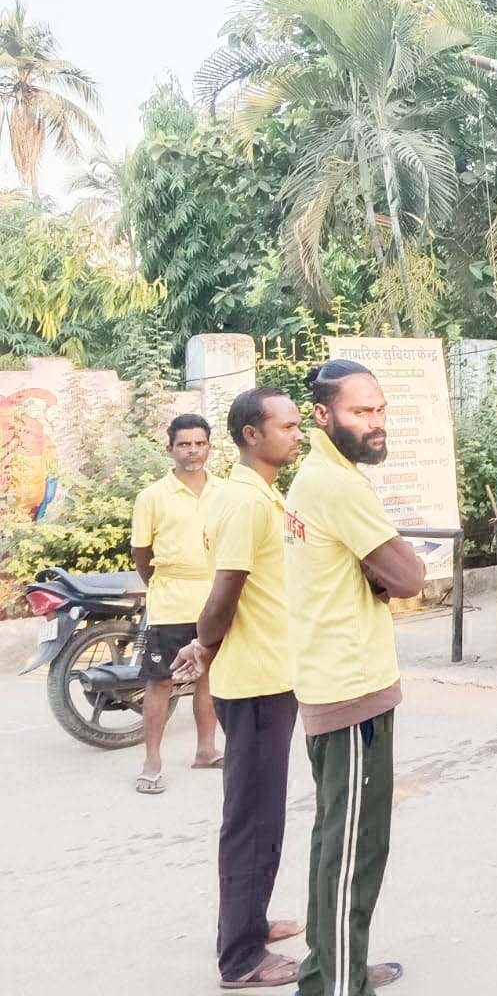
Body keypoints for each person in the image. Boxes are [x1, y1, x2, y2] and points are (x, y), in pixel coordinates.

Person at [284, 359, 424, 996]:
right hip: (349, 690)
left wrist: (381, 574)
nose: (374, 423)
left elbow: (381, 573)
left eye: (380, 410)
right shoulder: (337, 486)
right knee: (353, 850)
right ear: (322, 415)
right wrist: (387, 574)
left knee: (339, 840)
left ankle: (333, 964)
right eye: (359, 412)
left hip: (341, 679)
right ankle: (336, 984)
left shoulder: (322, 478)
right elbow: (410, 576)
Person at [172, 388, 306, 989]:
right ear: (252, 434)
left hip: (268, 673)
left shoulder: (257, 495)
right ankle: (242, 958)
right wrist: (202, 644)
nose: (297, 433)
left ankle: (248, 921)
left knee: (263, 814)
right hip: (253, 681)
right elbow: (226, 588)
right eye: (287, 425)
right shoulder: (245, 503)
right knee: (252, 819)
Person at [130, 412, 223, 793]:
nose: (192, 451)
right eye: (184, 444)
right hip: (170, 600)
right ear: (170, 449)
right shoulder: (152, 497)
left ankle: (206, 751)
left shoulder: (225, 492)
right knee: (161, 681)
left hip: (214, 600)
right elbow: (141, 553)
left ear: (209, 447)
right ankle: (152, 761)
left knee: (209, 677)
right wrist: (159, 585)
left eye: (199, 443)